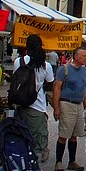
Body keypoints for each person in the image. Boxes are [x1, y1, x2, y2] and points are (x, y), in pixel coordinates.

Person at [14, 34, 56, 162]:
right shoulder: (45, 65)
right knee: (37, 137)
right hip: (37, 106)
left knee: (21, 134)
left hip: (20, 104)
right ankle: (33, 162)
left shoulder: (19, 61)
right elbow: (50, 83)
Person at [51, 46, 86, 171]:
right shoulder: (64, 69)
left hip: (79, 104)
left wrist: (85, 104)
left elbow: (83, 87)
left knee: (75, 134)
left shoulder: (84, 70)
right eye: (84, 56)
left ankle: (72, 161)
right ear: (76, 56)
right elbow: (57, 88)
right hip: (67, 103)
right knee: (64, 134)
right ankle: (58, 162)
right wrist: (56, 108)